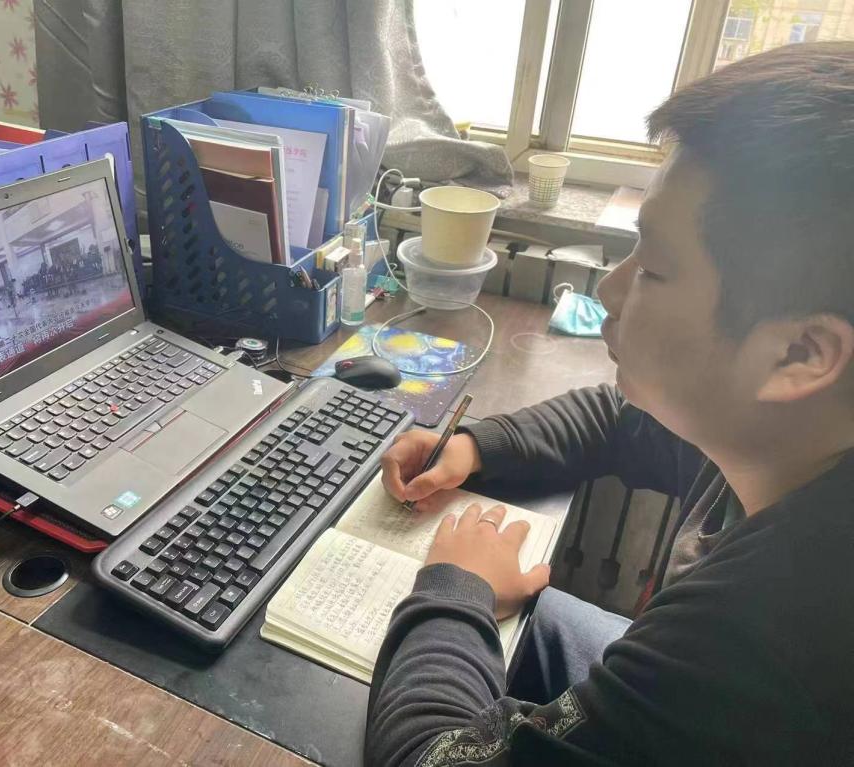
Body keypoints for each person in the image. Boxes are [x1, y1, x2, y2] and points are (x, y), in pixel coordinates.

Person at [366, 42, 854, 767]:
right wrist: (477, 445)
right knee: (543, 624)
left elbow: (425, 761)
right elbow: (623, 423)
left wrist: (455, 587)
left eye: (652, 268)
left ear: (800, 354)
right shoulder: (794, 437)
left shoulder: (763, 632)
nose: (610, 290)